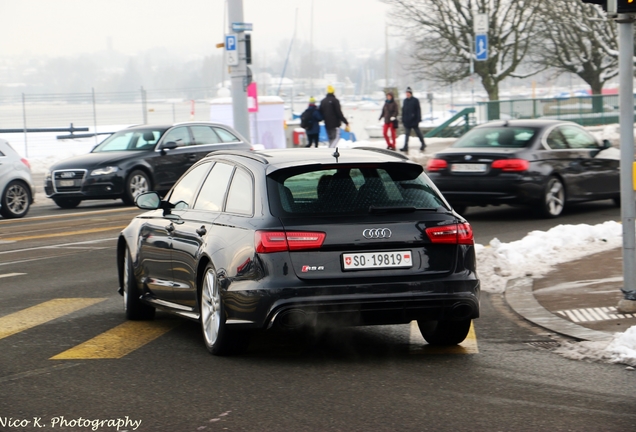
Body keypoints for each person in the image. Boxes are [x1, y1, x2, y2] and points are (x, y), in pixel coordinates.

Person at [400, 87, 426, 153]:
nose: (407, 94)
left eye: (408, 93)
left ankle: (423, 144)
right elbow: (403, 110)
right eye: (406, 93)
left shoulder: (415, 100)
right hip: (407, 121)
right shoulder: (405, 101)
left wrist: (418, 119)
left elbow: (418, 110)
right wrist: (402, 119)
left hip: (414, 120)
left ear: (411, 93)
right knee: (407, 134)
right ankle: (405, 146)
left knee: (418, 133)